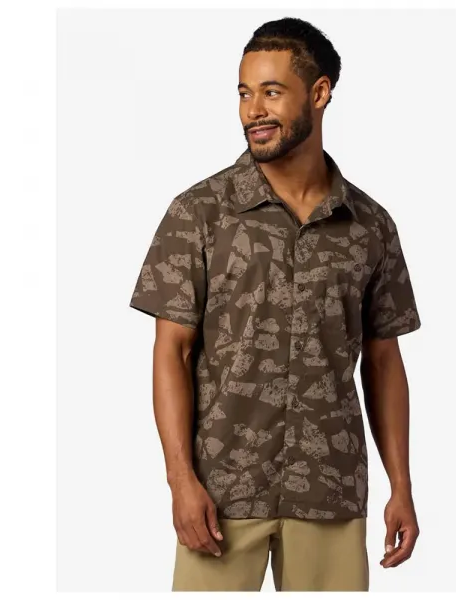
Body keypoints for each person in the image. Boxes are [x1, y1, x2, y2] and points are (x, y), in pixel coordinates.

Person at [129, 16, 422, 592]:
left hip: (330, 489)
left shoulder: (369, 225)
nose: (253, 110)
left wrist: (402, 487)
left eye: (271, 92)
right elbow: (172, 354)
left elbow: (384, 362)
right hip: (221, 491)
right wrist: (180, 481)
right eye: (244, 93)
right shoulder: (199, 213)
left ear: (319, 93)